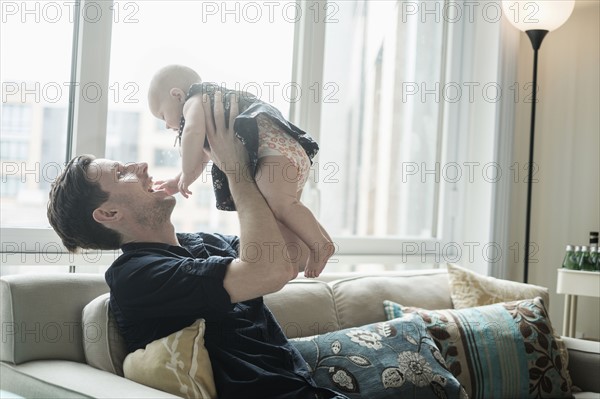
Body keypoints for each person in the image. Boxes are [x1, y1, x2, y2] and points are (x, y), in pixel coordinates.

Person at [47, 95, 348, 399]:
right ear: (109, 215)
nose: (140, 166)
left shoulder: (204, 242)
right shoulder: (135, 277)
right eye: (120, 172)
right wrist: (235, 170)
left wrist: (272, 173)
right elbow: (271, 271)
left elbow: (292, 256)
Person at [147, 64, 333, 278]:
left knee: (283, 206)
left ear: (177, 95)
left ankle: (319, 246)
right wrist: (177, 181)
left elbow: (192, 132)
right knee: (283, 211)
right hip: (283, 153)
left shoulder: (194, 101)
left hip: (274, 152)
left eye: (162, 116)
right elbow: (206, 154)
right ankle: (316, 246)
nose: (166, 125)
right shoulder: (211, 108)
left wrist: (187, 173)